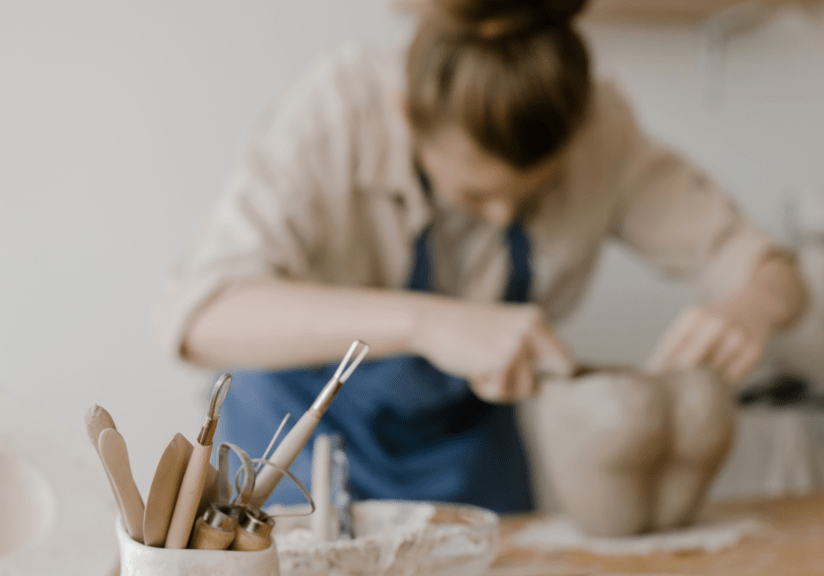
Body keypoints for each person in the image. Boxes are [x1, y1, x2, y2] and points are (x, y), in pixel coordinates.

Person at [155, 0, 807, 513]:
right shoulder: (336, 111)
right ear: (405, 115)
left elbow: (771, 270)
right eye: (474, 193)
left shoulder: (599, 129)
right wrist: (429, 323)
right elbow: (198, 319)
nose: (501, 216)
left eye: (534, 194)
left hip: (464, 449)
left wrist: (752, 306)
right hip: (294, 441)